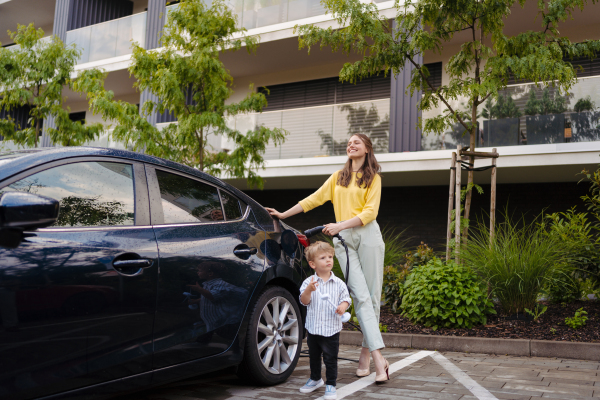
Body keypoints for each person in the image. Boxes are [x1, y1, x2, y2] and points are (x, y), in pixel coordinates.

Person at [266, 133, 389, 383]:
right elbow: (312, 200)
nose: (351, 144)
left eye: (357, 142)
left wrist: (340, 225)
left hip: (367, 236)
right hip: (343, 241)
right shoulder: (338, 178)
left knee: (372, 298)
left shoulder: (373, 178)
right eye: (349, 142)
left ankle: (366, 354)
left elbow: (370, 212)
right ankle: (380, 360)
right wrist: (283, 214)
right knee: (360, 296)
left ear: (367, 149)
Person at [298, 241, 351, 400]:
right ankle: (315, 379)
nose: (328, 260)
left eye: (330, 257)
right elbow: (304, 301)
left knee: (330, 358)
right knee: (313, 356)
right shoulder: (309, 283)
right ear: (312, 264)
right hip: (313, 328)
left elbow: (346, 298)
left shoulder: (339, 283)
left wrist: (343, 305)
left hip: (331, 329)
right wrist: (309, 290)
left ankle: (331, 384)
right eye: (323, 258)